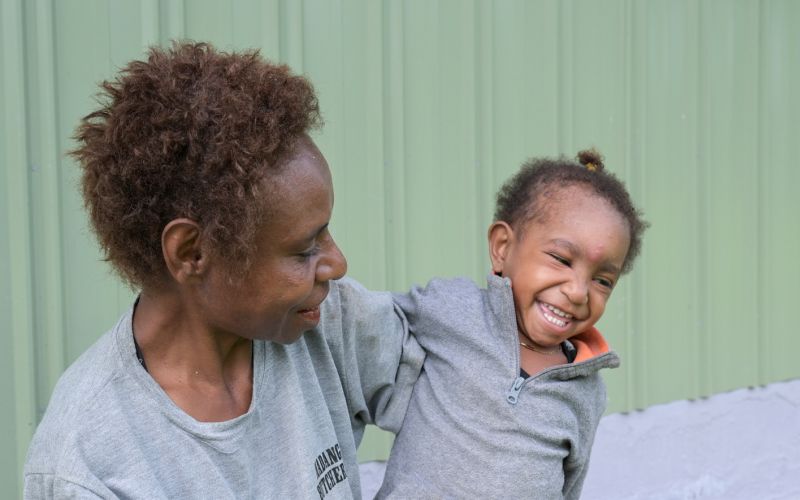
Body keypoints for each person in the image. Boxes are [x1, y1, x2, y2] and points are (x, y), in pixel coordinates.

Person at [24, 42, 423, 499]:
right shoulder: (89, 466)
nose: (336, 264)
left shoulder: (330, 320)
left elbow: (474, 387)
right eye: (302, 249)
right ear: (191, 252)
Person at [378, 151, 648, 499]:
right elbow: (361, 326)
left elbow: (568, 490)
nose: (578, 292)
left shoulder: (586, 391)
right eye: (562, 259)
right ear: (503, 248)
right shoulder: (450, 309)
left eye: (603, 281)